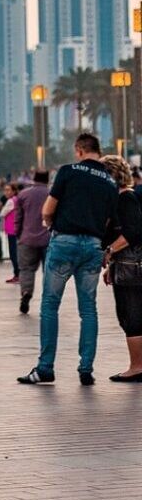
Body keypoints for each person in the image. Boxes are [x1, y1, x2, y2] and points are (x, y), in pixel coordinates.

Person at [19, 133, 119, 386]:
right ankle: (86, 368)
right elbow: (109, 221)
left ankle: (45, 368)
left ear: (79, 150)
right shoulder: (109, 181)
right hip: (93, 245)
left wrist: (49, 222)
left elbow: (48, 208)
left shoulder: (68, 171)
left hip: (65, 241)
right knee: (88, 309)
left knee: (50, 305)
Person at [99, 154, 142, 382]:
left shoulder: (126, 199)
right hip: (125, 265)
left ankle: (137, 366)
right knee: (127, 313)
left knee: (132, 314)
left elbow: (133, 232)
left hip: (132, 266)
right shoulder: (122, 198)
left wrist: (109, 252)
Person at [15, 170, 51, 314]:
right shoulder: (52, 194)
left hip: (27, 238)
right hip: (48, 238)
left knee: (26, 269)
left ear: (34, 179)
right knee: (49, 271)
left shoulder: (23, 194)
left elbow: (18, 218)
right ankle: (48, 299)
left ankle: (26, 292)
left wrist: (19, 234)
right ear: (47, 179)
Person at [1, 183, 21, 282]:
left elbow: (2, 213)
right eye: (5, 190)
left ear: (14, 191)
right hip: (17, 229)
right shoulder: (17, 200)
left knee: (13, 253)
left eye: (8, 190)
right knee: (16, 252)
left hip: (11, 230)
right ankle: (18, 273)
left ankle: (17, 274)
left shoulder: (10, 201)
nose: (6, 192)